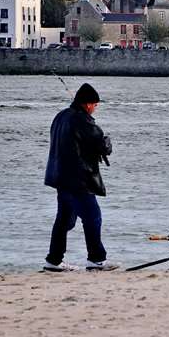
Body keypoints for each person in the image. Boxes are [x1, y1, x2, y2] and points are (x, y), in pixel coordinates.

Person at [43, 83, 118, 271]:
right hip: (79, 179)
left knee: (64, 220)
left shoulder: (60, 116)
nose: (95, 108)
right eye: (95, 105)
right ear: (87, 104)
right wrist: (107, 141)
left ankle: (53, 260)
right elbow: (102, 146)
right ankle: (96, 259)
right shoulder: (82, 120)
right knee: (93, 217)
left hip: (61, 177)